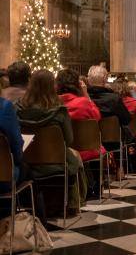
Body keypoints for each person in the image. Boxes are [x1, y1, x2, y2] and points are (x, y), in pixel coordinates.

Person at [16, 69, 85, 212]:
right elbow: (69, 139)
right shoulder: (59, 111)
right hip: (57, 162)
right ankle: (73, 204)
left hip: (26, 162)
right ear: (53, 86)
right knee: (75, 157)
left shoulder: (18, 109)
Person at [57, 69, 105, 162]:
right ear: (77, 84)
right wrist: (86, 94)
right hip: (86, 150)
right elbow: (97, 117)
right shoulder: (83, 102)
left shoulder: (53, 103)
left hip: (61, 152)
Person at [0, 86, 23, 192]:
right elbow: (16, 143)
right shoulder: (5, 107)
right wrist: (18, 161)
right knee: (31, 173)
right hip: (4, 176)